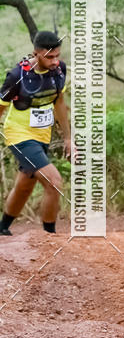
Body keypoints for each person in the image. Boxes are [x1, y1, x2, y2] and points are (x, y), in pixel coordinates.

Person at [0, 31, 71, 236]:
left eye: (57, 55)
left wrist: (67, 138)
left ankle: (3, 228)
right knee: (54, 182)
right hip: (19, 134)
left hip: (42, 135)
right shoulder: (17, 76)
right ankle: (50, 237)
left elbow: (59, 103)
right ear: (36, 54)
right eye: (49, 57)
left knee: (25, 185)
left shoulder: (59, 70)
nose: (55, 61)